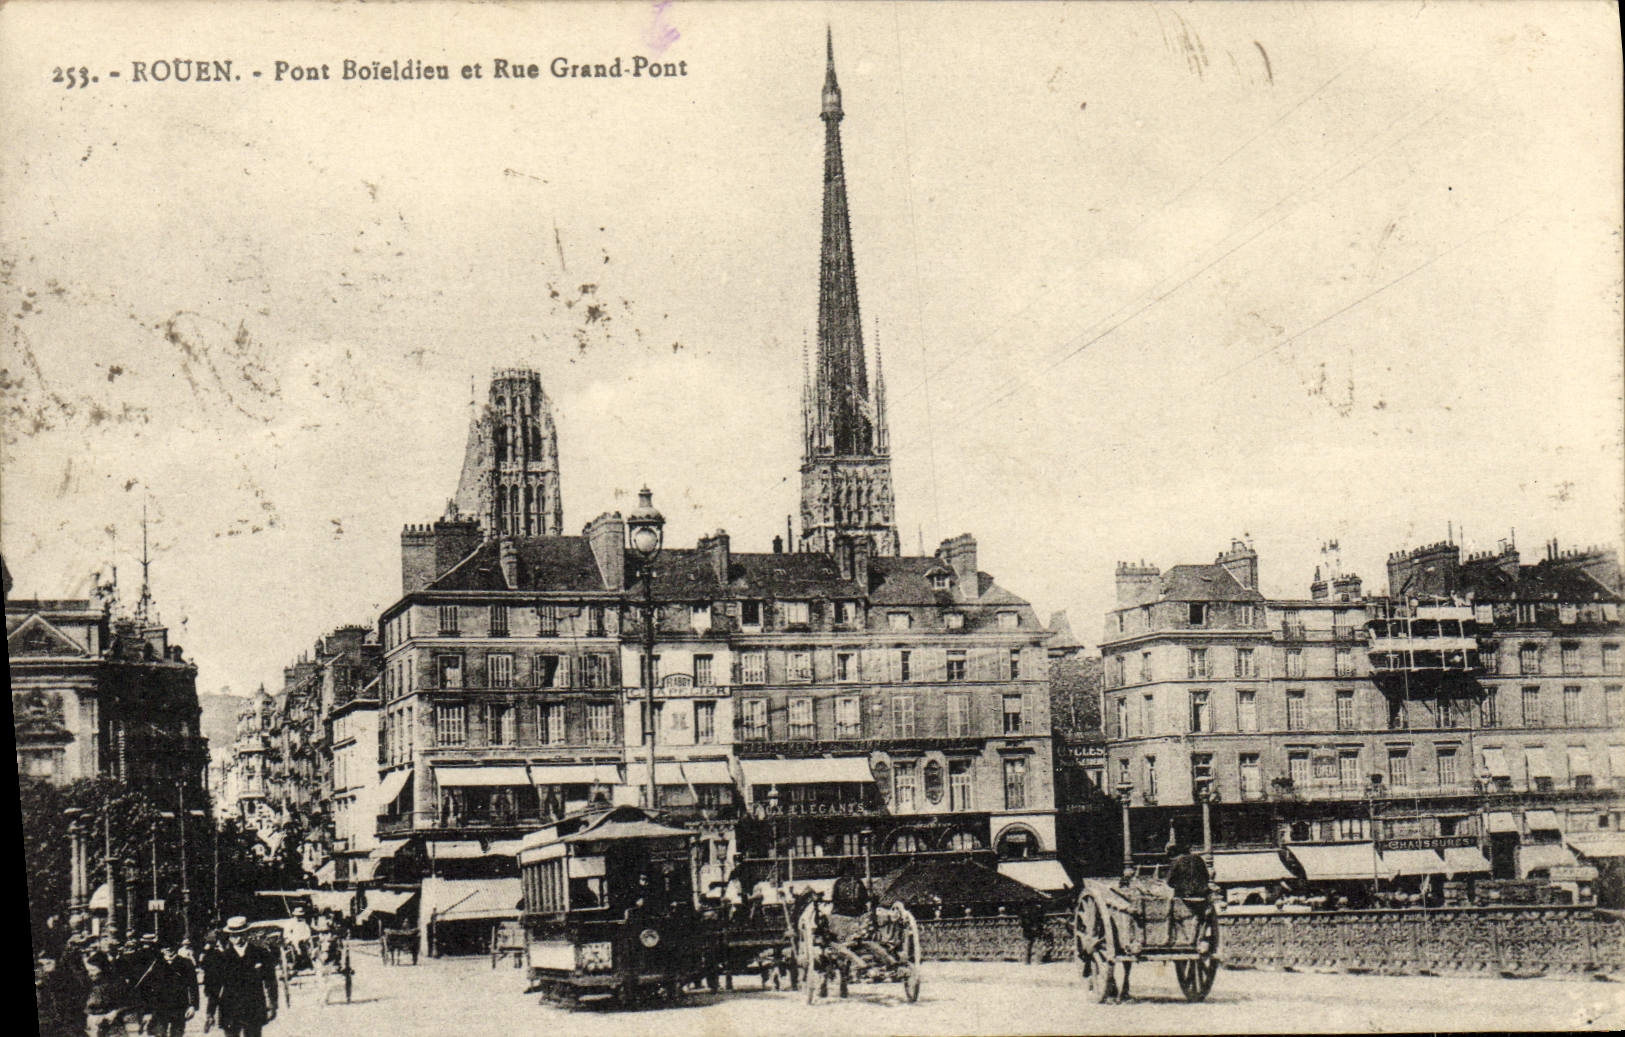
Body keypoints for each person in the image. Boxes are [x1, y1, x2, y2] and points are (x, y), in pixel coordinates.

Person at [204, 918, 278, 1037]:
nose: (236, 939)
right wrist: (210, 1013)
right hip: (229, 1008)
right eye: (233, 936)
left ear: (247, 934)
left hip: (254, 1007)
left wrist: (273, 1005)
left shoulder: (260, 953)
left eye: (240, 935)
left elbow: (270, 981)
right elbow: (215, 988)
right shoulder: (222, 958)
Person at [144, 944, 198, 1037]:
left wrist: (192, 1005)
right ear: (161, 948)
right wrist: (147, 1011)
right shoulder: (156, 964)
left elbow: (193, 986)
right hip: (160, 1007)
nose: (168, 948)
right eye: (165, 946)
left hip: (179, 1007)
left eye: (171, 945)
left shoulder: (186, 963)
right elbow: (148, 989)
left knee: (177, 1034)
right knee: (160, 1034)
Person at [1166, 842, 1211, 945]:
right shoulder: (1199, 859)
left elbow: (1169, 881)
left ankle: (1175, 937)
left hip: (1185, 897)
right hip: (1201, 896)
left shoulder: (1177, 861)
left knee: (1172, 913)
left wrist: (1180, 886)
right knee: (1203, 915)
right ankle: (1200, 936)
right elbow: (1207, 877)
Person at [81, 952, 131, 1037]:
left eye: (93, 970)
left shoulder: (116, 984)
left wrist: (114, 1013)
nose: (90, 974)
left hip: (113, 1027)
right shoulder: (89, 985)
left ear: (102, 969)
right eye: (88, 971)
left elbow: (128, 1003)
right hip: (94, 1026)